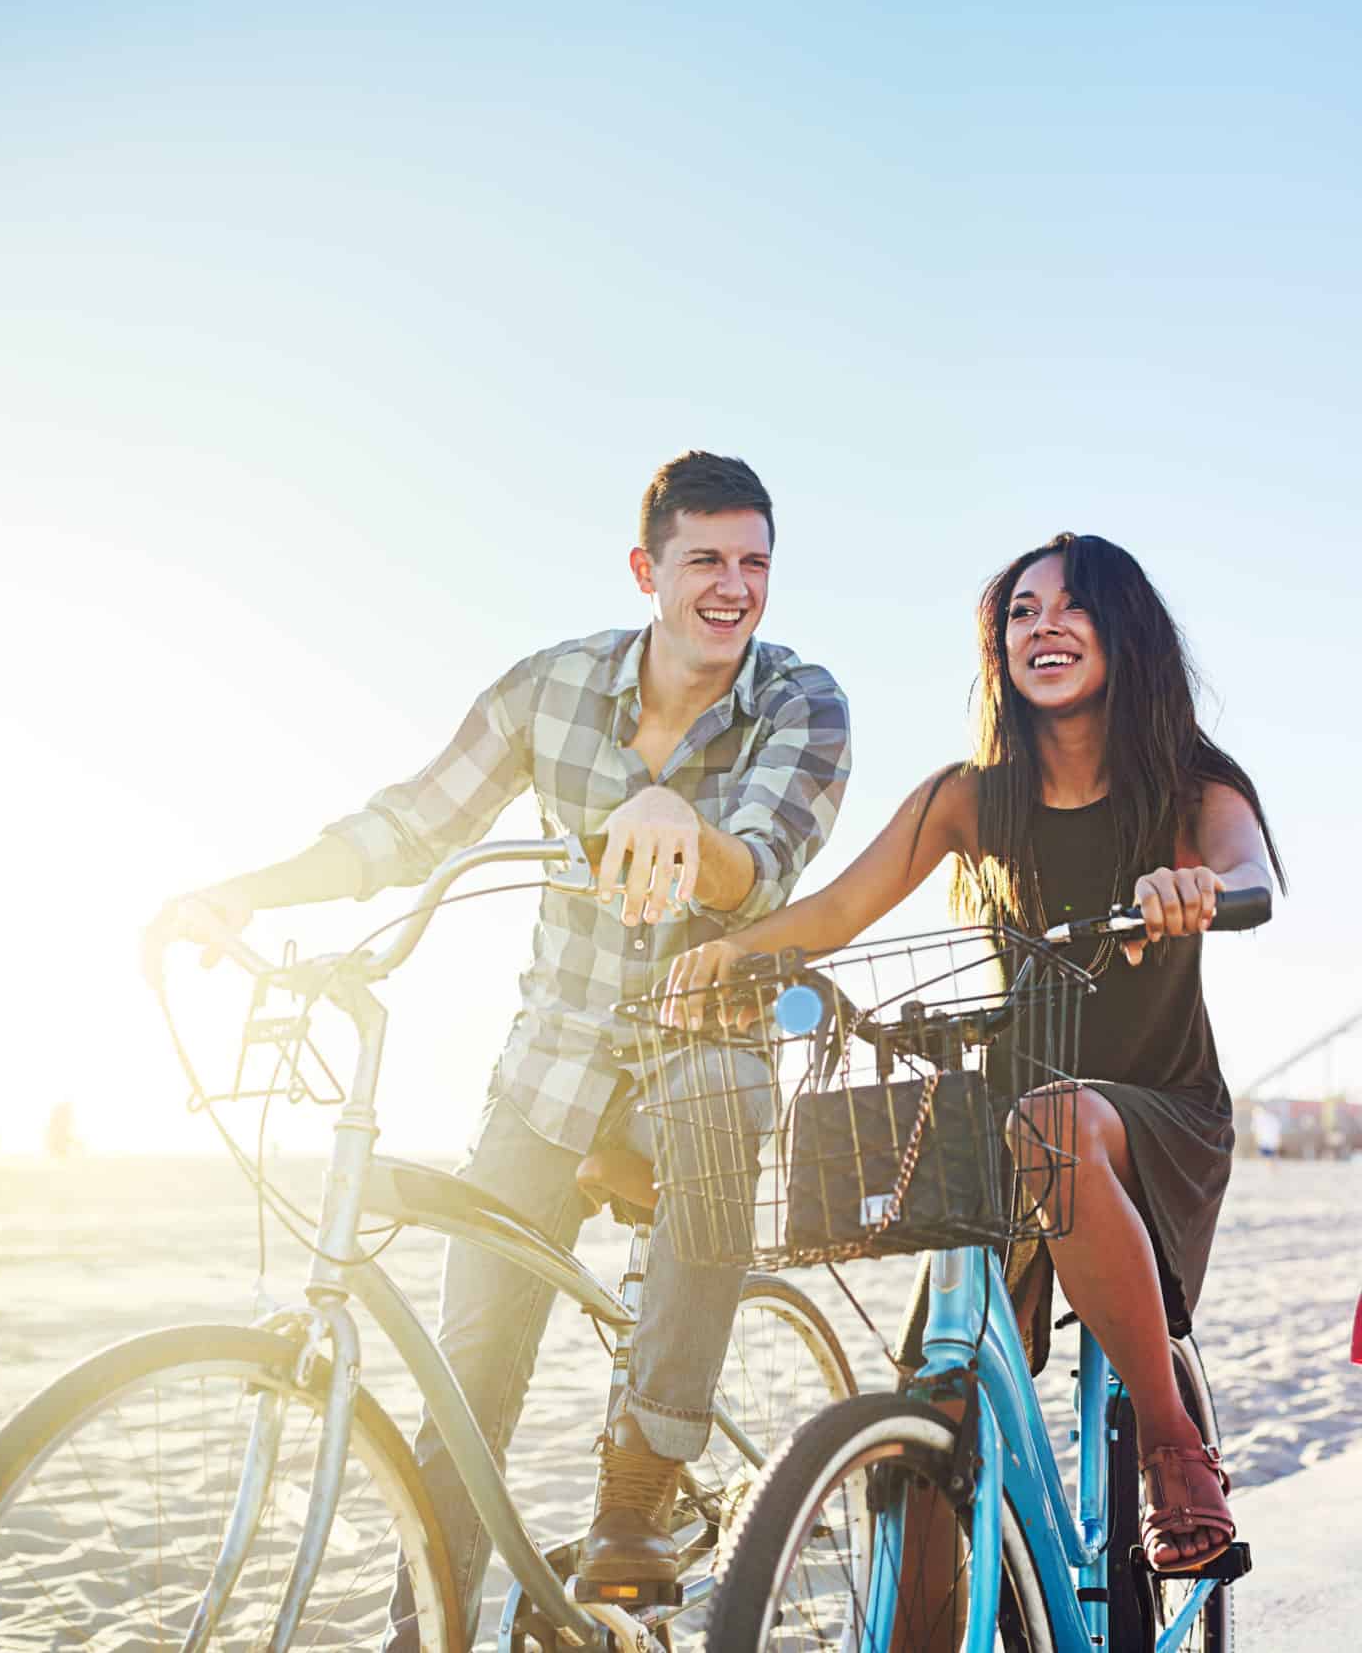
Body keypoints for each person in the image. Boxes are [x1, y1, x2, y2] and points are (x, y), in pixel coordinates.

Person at [150, 450, 852, 1649]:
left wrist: (683, 820)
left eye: (753, 564)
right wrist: (247, 893)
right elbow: (412, 823)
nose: (731, 588)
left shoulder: (802, 701)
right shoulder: (552, 688)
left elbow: (761, 860)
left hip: (703, 1051)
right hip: (554, 1065)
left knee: (716, 1110)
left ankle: (640, 1485)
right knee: (467, 1371)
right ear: (648, 569)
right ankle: (424, 1626)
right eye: (705, 561)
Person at [665, 531, 1284, 1578]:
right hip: (1013, 1112)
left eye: (1070, 606)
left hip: (1155, 1113)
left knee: (1049, 1121)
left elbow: (1249, 874)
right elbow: (836, 908)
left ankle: (1175, 1446)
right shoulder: (971, 795)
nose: (1042, 627)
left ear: (1123, 630)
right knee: (923, 1443)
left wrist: (1194, 893)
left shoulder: (1187, 784)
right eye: (1020, 612)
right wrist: (728, 953)